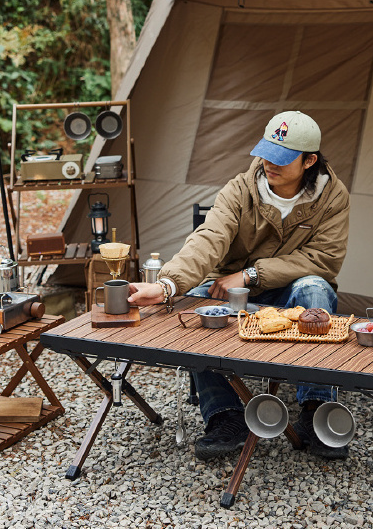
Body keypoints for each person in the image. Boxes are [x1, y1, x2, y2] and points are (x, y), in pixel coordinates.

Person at [128, 110, 350, 460]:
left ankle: (316, 409)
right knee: (198, 306)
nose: (268, 164)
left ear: (309, 161)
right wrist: (168, 284)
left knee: (316, 290)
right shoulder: (240, 189)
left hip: (287, 286)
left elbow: (323, 259)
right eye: (266, 152)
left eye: (281, 158)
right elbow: (209, 237)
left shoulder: (332, 197)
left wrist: (252, 274)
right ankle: (225, 415)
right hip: (230, 291)